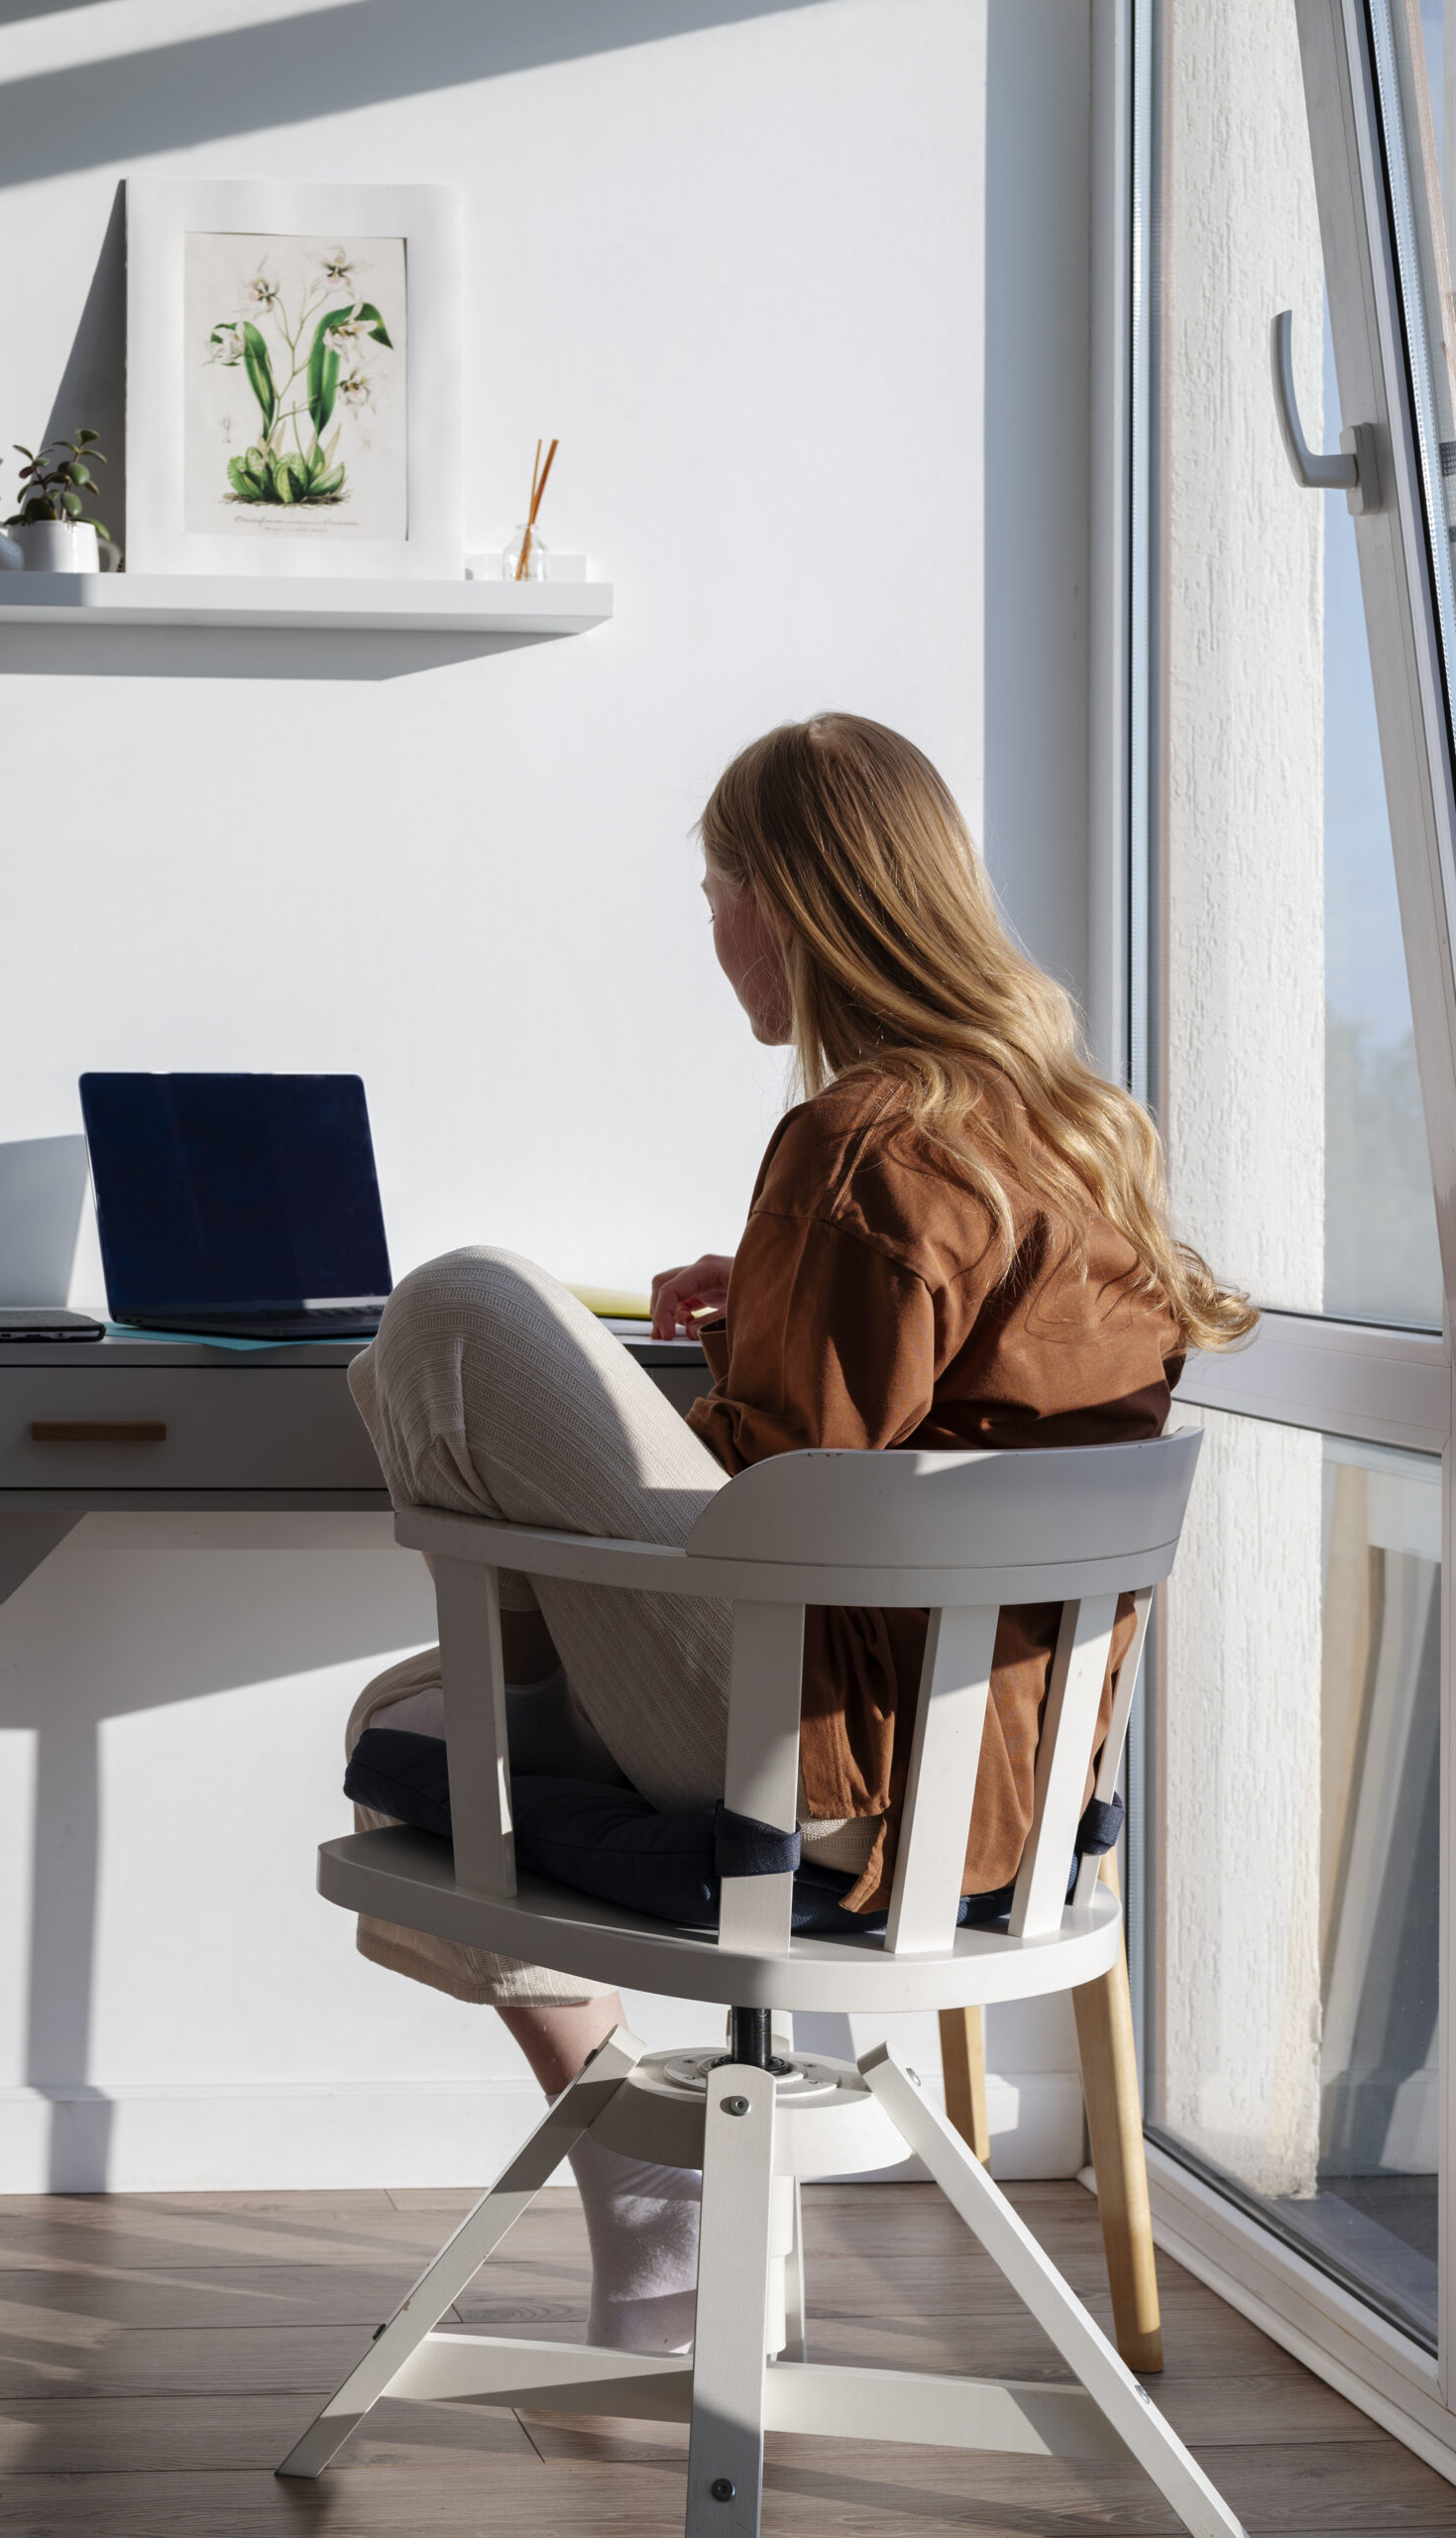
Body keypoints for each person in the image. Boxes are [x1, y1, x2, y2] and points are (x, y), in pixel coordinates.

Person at [344, 712, 1256, 2355]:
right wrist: (751, 1330)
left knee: (450, 1320)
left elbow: (771, 1517)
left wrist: (687, 1394)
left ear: (790, 899)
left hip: (830, 1787)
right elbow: (886, 1463)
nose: (712, 935)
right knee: (412, 1720)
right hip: (1006, 1809)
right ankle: (658, 2209)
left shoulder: (862, 1142)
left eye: (715, 891)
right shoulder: (1078, 1135)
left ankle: (652, 2201)